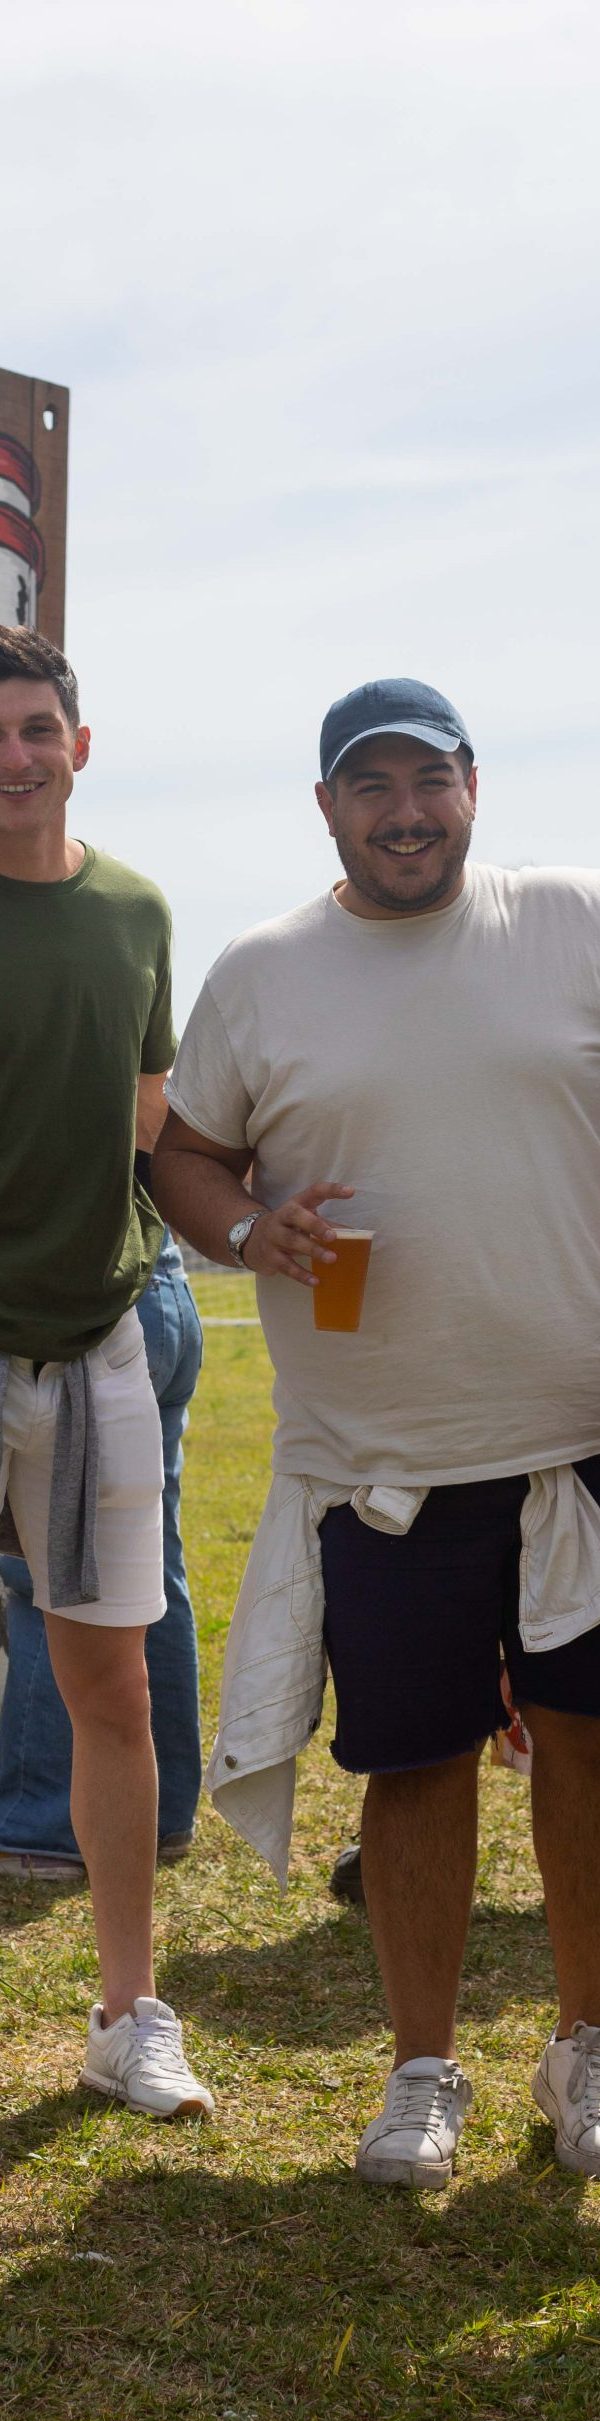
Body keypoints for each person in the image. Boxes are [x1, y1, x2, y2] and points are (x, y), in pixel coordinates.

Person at [154, 673, 600, 2186]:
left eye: (430, 782)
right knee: (414, 1762)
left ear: (474, 787)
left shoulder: (570, 921)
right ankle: (423, 2070)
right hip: (383, 1457)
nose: (406, 814)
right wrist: (245, 1228)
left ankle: (585, 2048)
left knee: (589, 1747)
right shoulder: (264, 971)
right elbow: (186, 1152)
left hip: (578, 1437)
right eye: (372, 787)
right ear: (328, 807)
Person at [0, 623, 212, 2121]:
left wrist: (256, 1212)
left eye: (35, 731)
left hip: (94, 1350)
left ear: (78, 747)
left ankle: (129, 2014)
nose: (13, 758)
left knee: (113, 1690)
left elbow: (154, 1121)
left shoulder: (137, 908)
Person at [0, 1193, 203, 1877]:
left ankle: (43, 1825)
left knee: (60, 1580)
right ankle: (156, 1815)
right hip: (155, 1277)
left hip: (84, 1300)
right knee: (138, 1584)